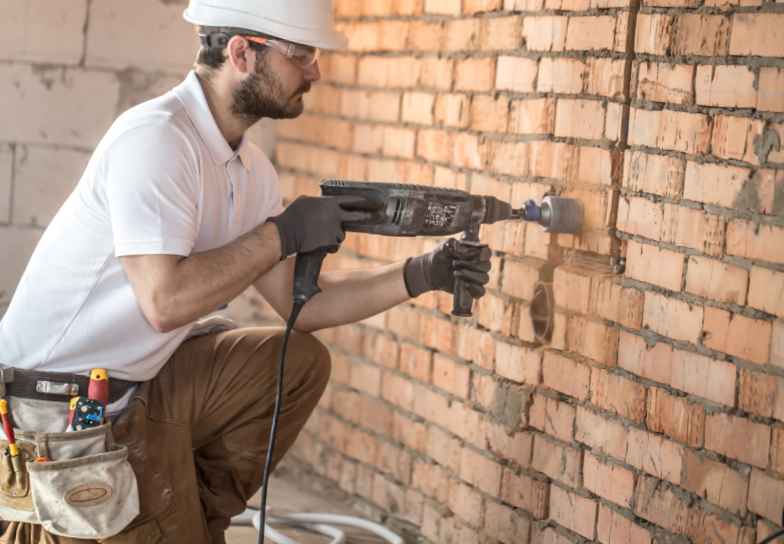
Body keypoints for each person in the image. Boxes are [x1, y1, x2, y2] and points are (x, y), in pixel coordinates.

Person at [0, 0, 491, 542]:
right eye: (301, 54)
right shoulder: (157, 140)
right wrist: (283, 234)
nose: (315, 72)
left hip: (142, 382)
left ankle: (188, 513)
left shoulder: (252, 170)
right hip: (53, 405)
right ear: (241, 52)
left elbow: (303, 309)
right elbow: (164, 304)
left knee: (296, 362)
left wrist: (420, 274)